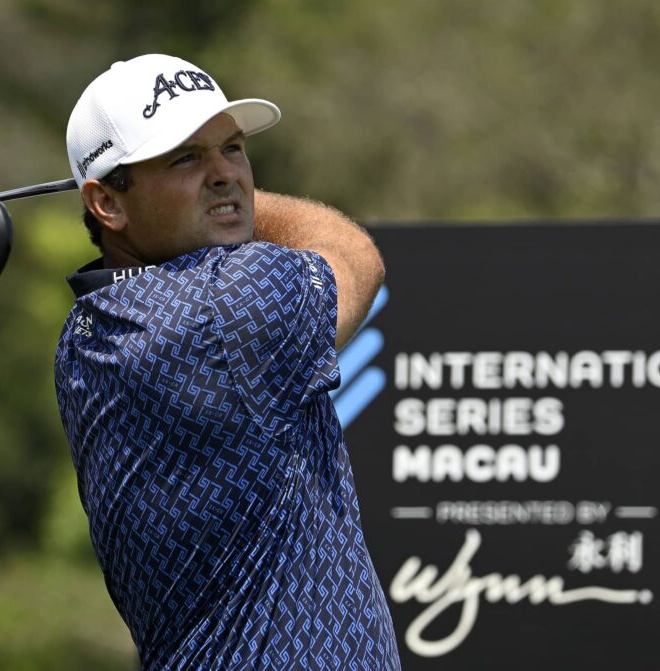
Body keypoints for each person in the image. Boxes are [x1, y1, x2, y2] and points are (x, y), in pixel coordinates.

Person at [54, 54, 401, 670]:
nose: (224, 174)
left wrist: (195, 192)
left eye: (232, 148)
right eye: (185, 157)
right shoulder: (227, 303)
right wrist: (238, 198)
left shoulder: (87, 328)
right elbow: (354, 257)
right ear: (106, 204)